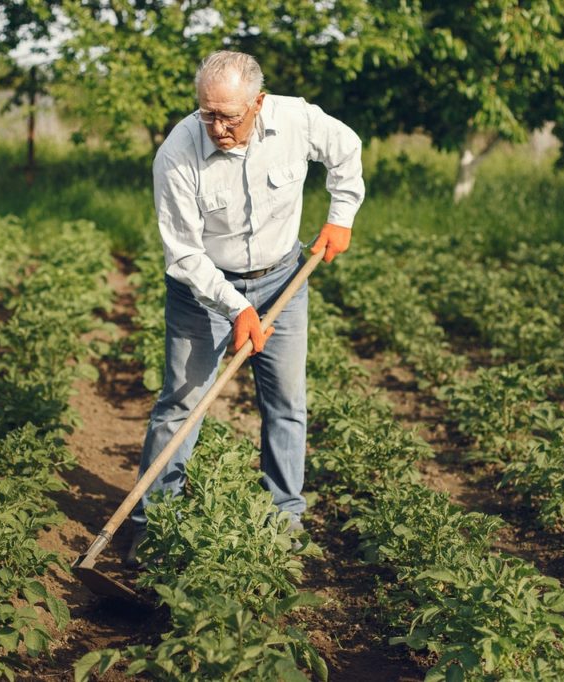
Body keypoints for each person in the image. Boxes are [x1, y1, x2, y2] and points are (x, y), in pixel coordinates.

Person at [126, 50, 364, 567]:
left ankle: (285, 520)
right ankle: (154, 524)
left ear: (258, 102)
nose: (217, 126)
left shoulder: (296, 119)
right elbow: (185, 253)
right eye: (207, 113)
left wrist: (340, 215)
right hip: (203, 292)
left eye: (229, 115)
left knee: (286, 403)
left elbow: (346, 149)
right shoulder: (177, 153)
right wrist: (237, 308)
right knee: (181, 404)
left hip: (284, 279)